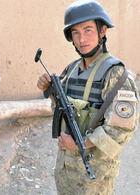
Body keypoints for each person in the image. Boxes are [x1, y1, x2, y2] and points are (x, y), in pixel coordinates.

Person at [37, 0, 139, 194]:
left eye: (88, 30)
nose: (82, 38)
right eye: (75, 33)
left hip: (94, 176)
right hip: (66, 170)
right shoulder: (72, 69)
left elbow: (121, 129)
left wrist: (80, 144)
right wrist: (50, 91)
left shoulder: (115, 73)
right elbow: (62, 111)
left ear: (102, 31)